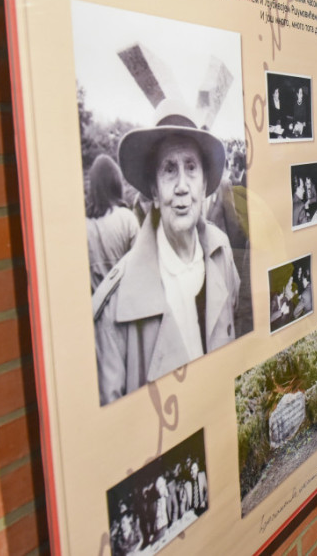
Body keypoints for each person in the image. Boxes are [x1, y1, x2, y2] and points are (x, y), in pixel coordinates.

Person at [92, 99, 241, 406]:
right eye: (169, 169)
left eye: (191, 167)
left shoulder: (221, 253)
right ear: (155, 192)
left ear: (203, 187)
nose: (182, 186)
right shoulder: (113, 307)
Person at [85, 154, 140, 291]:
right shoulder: (127, 218)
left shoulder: (83, 224)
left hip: (94, 308)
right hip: (124, 305)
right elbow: (141, 267)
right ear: (116, 182)